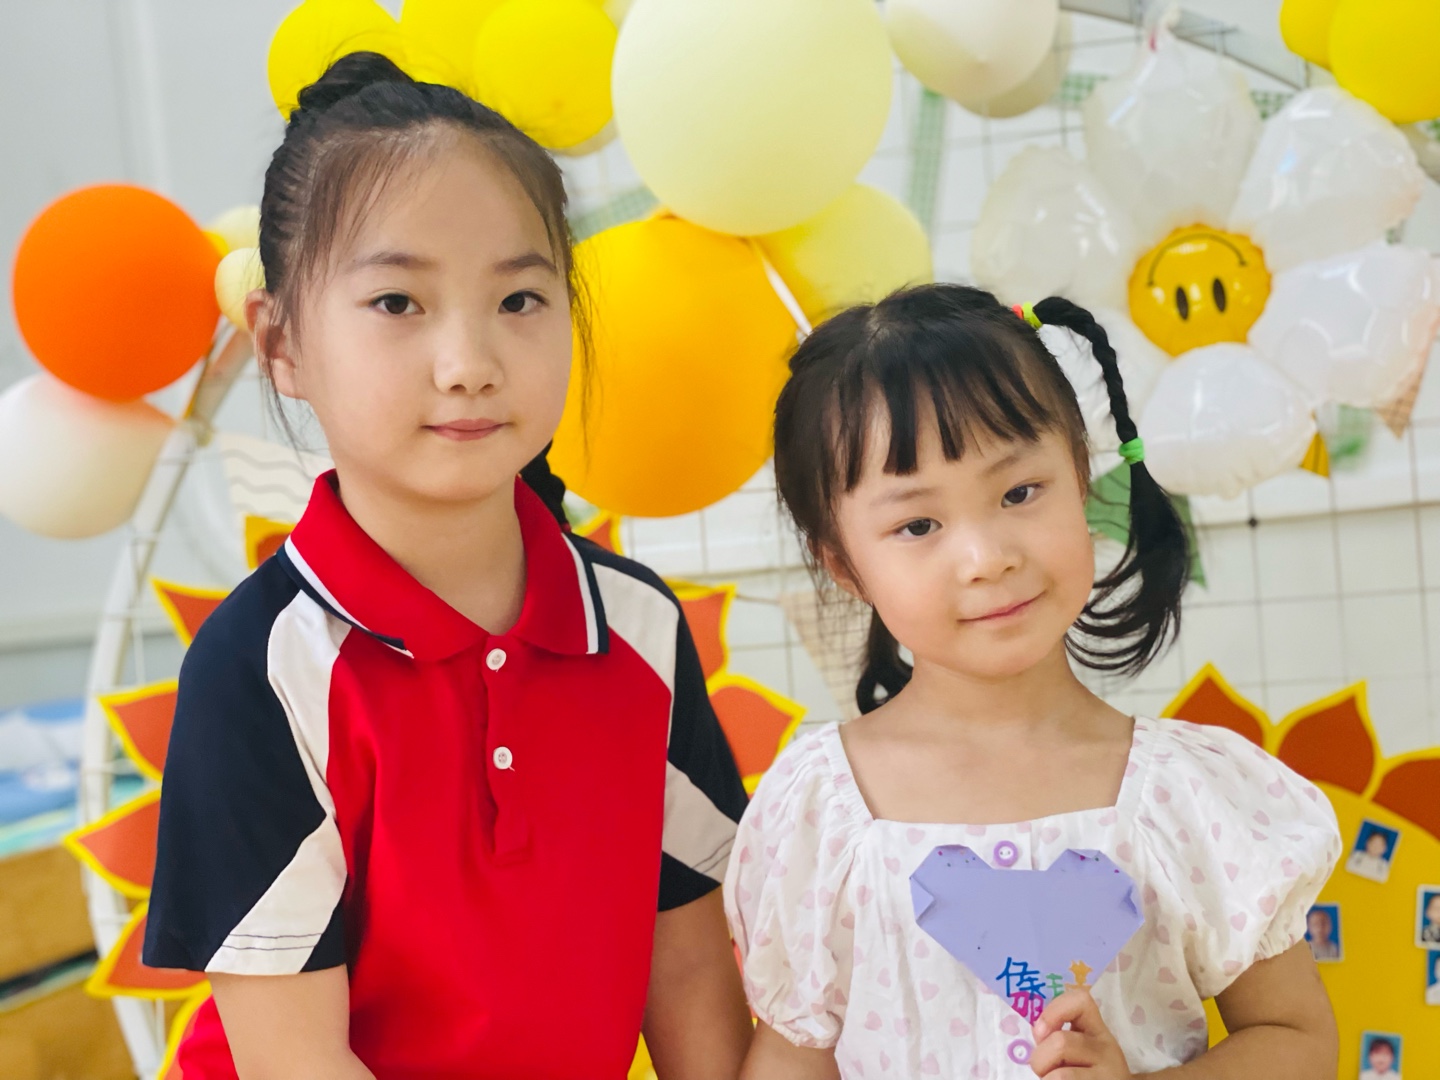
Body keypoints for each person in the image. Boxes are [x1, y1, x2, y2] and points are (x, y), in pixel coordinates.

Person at [143, 53, 752, 1079]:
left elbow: (691, 974)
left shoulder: (641, 629)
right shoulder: (264, 668)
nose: (470, 362)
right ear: (281, 345)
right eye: (398, 302)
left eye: (519, 299)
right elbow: (298, 1063)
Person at [727, 286, 1342, 1079]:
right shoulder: (819, 811)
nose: (987, 557)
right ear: (845, 565)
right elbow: (790, 1057)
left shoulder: (1190, 797)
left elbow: (1297, 1039)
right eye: (918, 525)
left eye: (1019, 493)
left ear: (1080, 479)